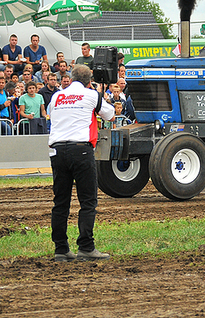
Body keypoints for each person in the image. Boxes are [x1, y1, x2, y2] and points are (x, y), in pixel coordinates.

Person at [48, 64, 115, 262]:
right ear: (89, 81)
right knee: (87, 201)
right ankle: (86, 246)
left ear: (70, 77)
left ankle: (61, 248)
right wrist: (99, 95)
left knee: (60, 202)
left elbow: (54, 114)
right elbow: (110, 114)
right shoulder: (91, 95)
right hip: (81, 149)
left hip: (57, 150)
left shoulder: (57, 96)